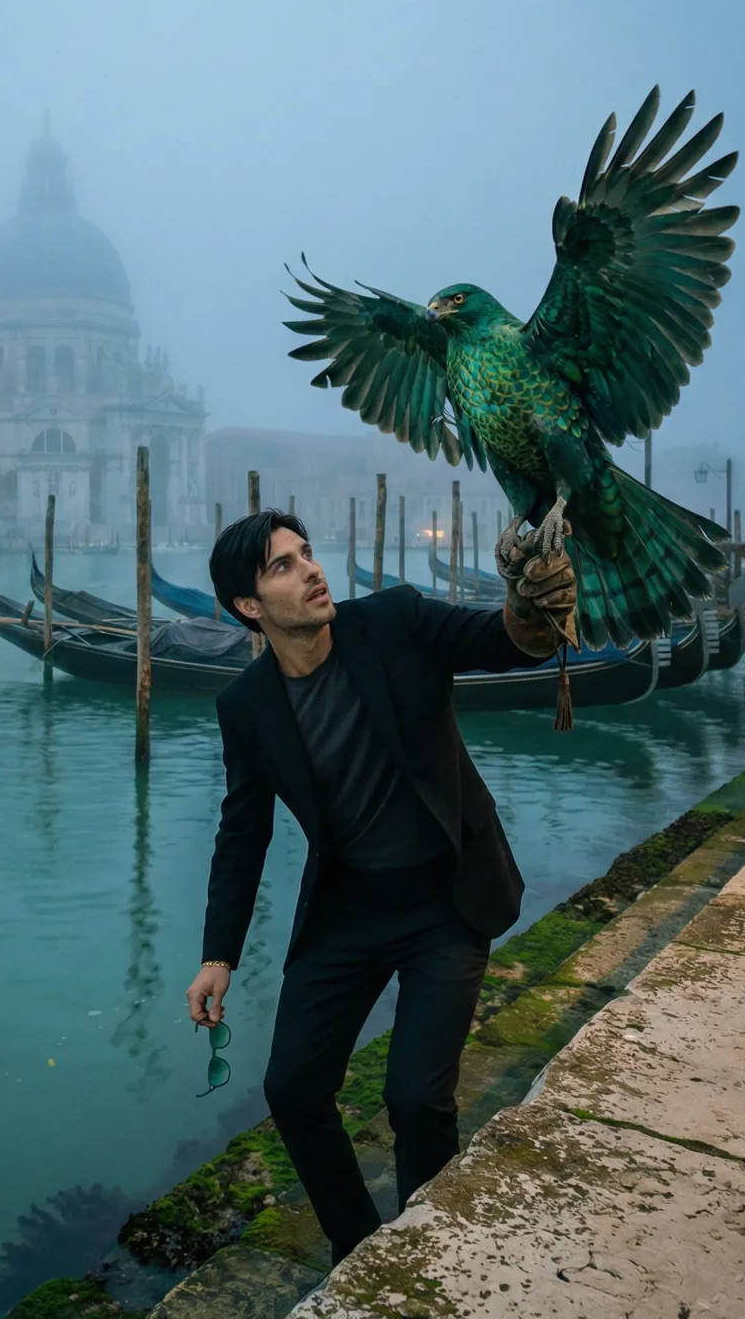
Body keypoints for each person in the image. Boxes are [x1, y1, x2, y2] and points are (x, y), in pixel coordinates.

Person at [185, 509, 575, 1266]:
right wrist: (217, 956)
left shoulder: (394, 621)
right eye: (282, 567)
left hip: (447, 899)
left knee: (415, 1100)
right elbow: (242, 835)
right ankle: (357, 1248)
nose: (310, 570)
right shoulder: (247, 707)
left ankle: (426, 1255)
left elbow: (503, 641)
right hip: (347, 911)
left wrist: (529, 606)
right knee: (294, 1091)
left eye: (306, 554)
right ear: (248, 607)